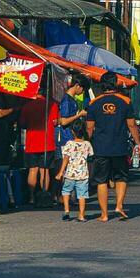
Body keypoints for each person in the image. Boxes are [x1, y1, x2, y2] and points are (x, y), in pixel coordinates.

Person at [86, 70, 140, 221]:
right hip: (119, 147)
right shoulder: (125, 101)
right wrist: (138, 143)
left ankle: (104, 214)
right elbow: (131, 125)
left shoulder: (93, 103)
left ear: (102, 85)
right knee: (121, 177)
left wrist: (88, 142)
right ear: (116, 84)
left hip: (100, 147)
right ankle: (119, 205)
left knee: (101, 180)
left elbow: (90, 127)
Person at [19, 88, 59, 207]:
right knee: (44, 170)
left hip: (31, 143)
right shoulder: (52, 105)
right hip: (47, 143)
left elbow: (22, 124)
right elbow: (55, 122)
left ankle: (31, 197)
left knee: (32, 170)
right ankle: (44, 196)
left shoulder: (27, 106)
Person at [52, 72, 88, 200]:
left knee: (66, 167)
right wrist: (79, 115)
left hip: (69, 138)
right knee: (62, 166)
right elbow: (64, 121)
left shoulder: (71, 100)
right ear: (78, 86)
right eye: (82, 89)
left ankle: (64, 195)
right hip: (64, 138)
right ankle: (59, 195)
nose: (82, 92)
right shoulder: (66, 100)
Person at [57, 124, 94, 222]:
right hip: (83, 174)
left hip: (70, 173)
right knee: (82, 195)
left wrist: (61, 172)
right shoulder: (87, 144)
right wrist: (90, 173)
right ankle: (81, 215)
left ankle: (66, 211)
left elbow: (66, 159)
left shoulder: (69, 143)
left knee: (66, 191)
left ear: (73, 132)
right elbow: (90, 160)